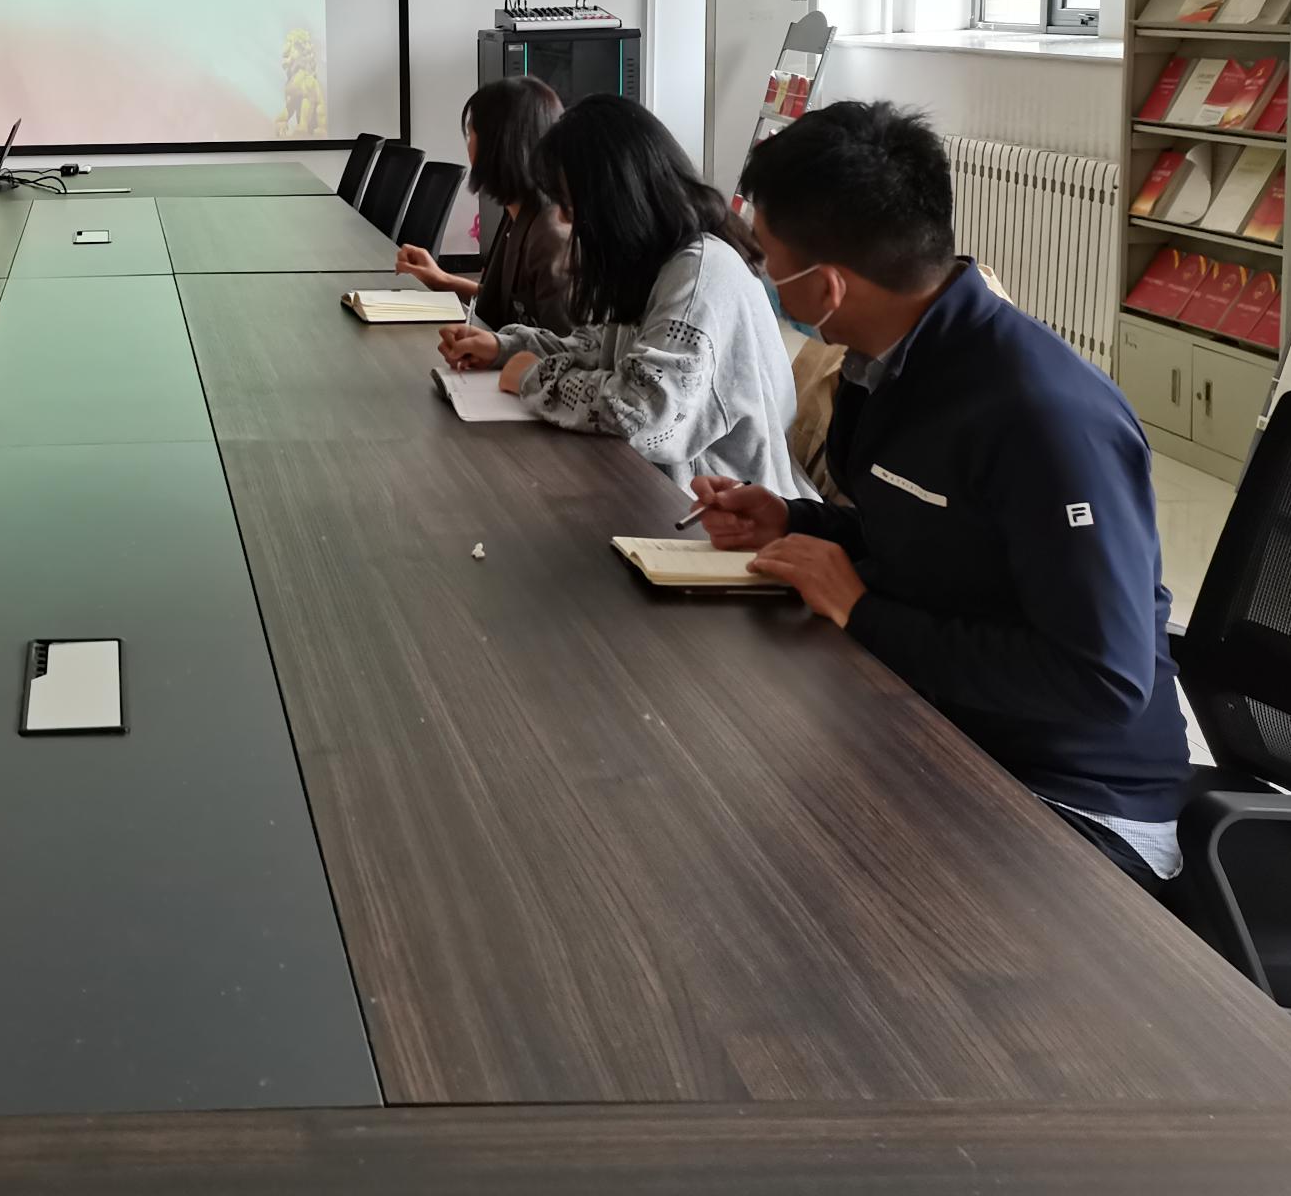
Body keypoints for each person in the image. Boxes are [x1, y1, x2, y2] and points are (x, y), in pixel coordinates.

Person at [693, 102, 1191, 892]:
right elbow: (939, 540)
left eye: (767, 260)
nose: (761, 278)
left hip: (1075, 798)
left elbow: (1102, 681)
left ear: (826, 286)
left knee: (793, 893)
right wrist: (795, 518)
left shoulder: (1045, 418)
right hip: (939, 723)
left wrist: (863, 611)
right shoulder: (886, 360)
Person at [450, 93, 805, 496]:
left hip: (713, 507)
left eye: (570, 205)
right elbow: (594, 348)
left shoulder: (698, 273)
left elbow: (639, 412)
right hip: (654, 488)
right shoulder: (650, 262)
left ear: (614, 200)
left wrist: (534, 378)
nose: (563, 218)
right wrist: (505, 349)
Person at [400, 75, 573, 337]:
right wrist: (440, 279)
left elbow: (562, 347)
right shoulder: (521, 212)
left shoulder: (551, 237)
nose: (468, 144)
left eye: (471, 133)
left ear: (496, 145)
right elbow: (503, 304)